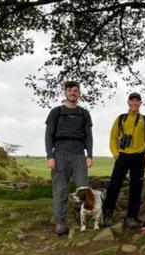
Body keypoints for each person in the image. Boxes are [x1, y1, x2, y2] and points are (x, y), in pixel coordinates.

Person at [45, 81, 93, 236]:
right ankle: (60, 222)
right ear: (65, 93)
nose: (73, 93)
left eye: (75, 90)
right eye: (70, 90)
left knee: (83, 188)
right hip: (60, 154)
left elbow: (89, 136)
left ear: (79, 93)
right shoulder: (56, 112)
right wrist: (50, 156)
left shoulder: (84, 113)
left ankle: (82, 218)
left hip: (79, 154)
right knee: (60, 190)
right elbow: (48, 135)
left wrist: (89, 154)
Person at [103, 92, 145, 229]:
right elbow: (113, 138)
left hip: (139, 157)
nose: (134, 103)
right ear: (128, 103)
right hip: (122, 156)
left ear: (140, 103)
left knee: (136, 188)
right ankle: (107, 214)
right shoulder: (121, 119)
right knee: (114, 185)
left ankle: (132, 216)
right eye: (132, 101)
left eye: (137, 101)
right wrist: (116, 155)